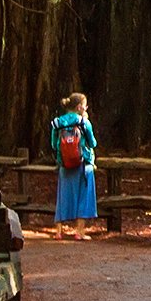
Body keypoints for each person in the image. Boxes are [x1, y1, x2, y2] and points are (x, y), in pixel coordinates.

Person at [49, 92, 98, 238]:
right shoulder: (83, 122)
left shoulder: (57, 123)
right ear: (79, 107)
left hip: (64, 164)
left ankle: (59, 232)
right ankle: (79, 232)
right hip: (83, 164)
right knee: (84, 195)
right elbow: (93, 143)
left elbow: (53, 144)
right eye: (85, 105)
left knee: (63, 196)